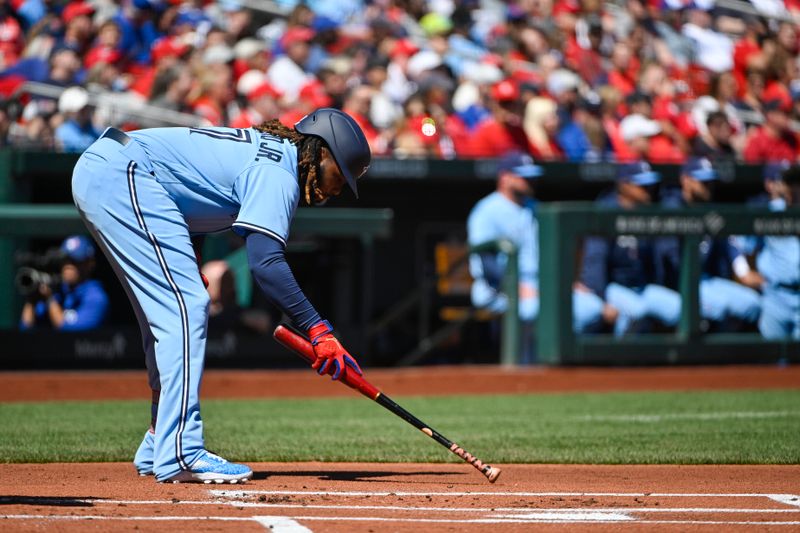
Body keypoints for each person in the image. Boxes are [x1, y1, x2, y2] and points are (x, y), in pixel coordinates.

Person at [70, 108, 371, 484]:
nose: (336, 189)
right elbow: (266, 263)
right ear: (321, 152)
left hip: (117, 171)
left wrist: (186, 255)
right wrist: (318, 330)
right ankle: (182, 451)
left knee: (171, 311)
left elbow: (183, 188)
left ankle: (158, 437)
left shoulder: (271, 153)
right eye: (339, 175)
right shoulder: (280, 171)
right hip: (123, 173)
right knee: (187, 307)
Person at [467, 151, 616, 363]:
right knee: (538, 309)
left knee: (591, 307)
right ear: (505, 177)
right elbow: (486, 264)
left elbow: (550, 252)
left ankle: (558, 369)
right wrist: (516, 287)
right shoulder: (486, 210)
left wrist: (568, 283)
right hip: (498, 288)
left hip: (539, 285)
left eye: (531, 176)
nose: (531, 181)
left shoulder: (535, 207)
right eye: (523, 176)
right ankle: (525, 368)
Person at [657, 157, 761, 331]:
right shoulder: (672, 209)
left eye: (710, 182)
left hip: (707, 279)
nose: (708, 187)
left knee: (752, 304)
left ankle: (733, 355)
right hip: (680, 282)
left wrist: (743, 271)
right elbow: (668, 259)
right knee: (720, 308)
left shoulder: (710, 208)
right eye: (702, 182)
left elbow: (728, 242)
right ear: (686, 180)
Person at [580, 162, 681, 336]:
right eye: (641, 185)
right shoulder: (606, 211)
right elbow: (594, 261)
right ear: (624, 185)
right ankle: (620, 359)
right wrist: (601, 298)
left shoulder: (648, 213)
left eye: (649, 185)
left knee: (682, 308)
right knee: (637, 312)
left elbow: (656, 261)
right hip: (612, 286)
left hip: (641, 287)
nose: (647, 189)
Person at [738, 162, 800, 339]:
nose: (794, 188)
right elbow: (744, 244)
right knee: (772, 362)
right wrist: (748, 273)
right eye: (789, 182)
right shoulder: (770, 212)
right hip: (776, 296)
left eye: (797, 182)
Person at [19, 235, 109, 331]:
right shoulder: (58, 291)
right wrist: (31, 300)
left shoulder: (95, 296)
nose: (68, 266)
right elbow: (25, 329)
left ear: (89, 264)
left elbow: (69, 333)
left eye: (75, 261)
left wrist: (50, 300)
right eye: (65, 260)